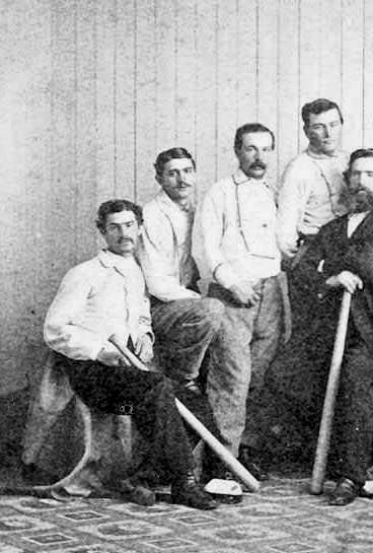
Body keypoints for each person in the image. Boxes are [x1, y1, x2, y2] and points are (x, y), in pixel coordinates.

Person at [43, 199, 217, 510]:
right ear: (102, 231)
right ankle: (183, 483)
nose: (124, 234)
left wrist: (145, 337)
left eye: (129, 226)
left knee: (194, 404)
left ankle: (143, 477)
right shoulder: (84, 274)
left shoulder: (136, 272)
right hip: (93, 380)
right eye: (114, 227)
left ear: (139, 228)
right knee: (157, 387)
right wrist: (99, 351)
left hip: (127, 394)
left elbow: (141, 318)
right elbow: (54, 329)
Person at [265, 149, 373, 505]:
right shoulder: (331, 229)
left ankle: (350, 475)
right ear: (347, 182)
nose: (362, 181)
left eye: (371, 175)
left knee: (355, 378)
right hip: (329, 329)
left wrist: (330, 266)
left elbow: (370, 265)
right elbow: (301, 271)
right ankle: (313, 455)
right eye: (356, 174)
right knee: (283, 372)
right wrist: (331, 278)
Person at [138, 147, 263, 480]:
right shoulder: (151, 215)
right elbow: (157, 283)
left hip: (186, 304)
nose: (181, 179)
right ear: (159, 178)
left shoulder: (199, 207)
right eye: (172, 173)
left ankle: (224, 456)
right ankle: (185, 379)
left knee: (234, 355)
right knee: (213, 310)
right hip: (156, 306)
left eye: (187, 171)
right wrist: (202, 299)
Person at [198, 123, 284, 470]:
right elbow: (206, 247)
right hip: (234, 293)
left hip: (271, 292)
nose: (259, 157)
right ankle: (223, 462)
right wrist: (232, 283)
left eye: (265, 149)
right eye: (251, 148)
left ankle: (245, 451)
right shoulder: (219, 192)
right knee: (232, 377)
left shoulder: (273, 193)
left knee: (261, 375)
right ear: (237, 151)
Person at [276, 99, 349, 331]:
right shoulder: (298, 169)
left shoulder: (349, 161)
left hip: (347, 257)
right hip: (314, 258)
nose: (328, 133)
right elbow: (285, 234)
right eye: (319, 127)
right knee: (312, 332)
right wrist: (302, 267)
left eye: (334, 125)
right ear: (307, 131)